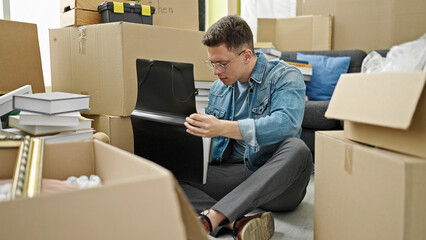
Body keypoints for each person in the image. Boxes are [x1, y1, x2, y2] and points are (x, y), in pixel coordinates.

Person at [181, 15, 312, 240]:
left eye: (221, 63)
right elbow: (213, 145)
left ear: (247, 55)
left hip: (277, 182)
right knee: (170, 173)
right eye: (212, 63)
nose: (215, 71)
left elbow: (287, 125)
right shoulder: (218, 89)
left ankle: (211, 218)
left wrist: (222, 127)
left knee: (298, 149)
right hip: (236, 174)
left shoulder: (285, 76)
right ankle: (235, 222)